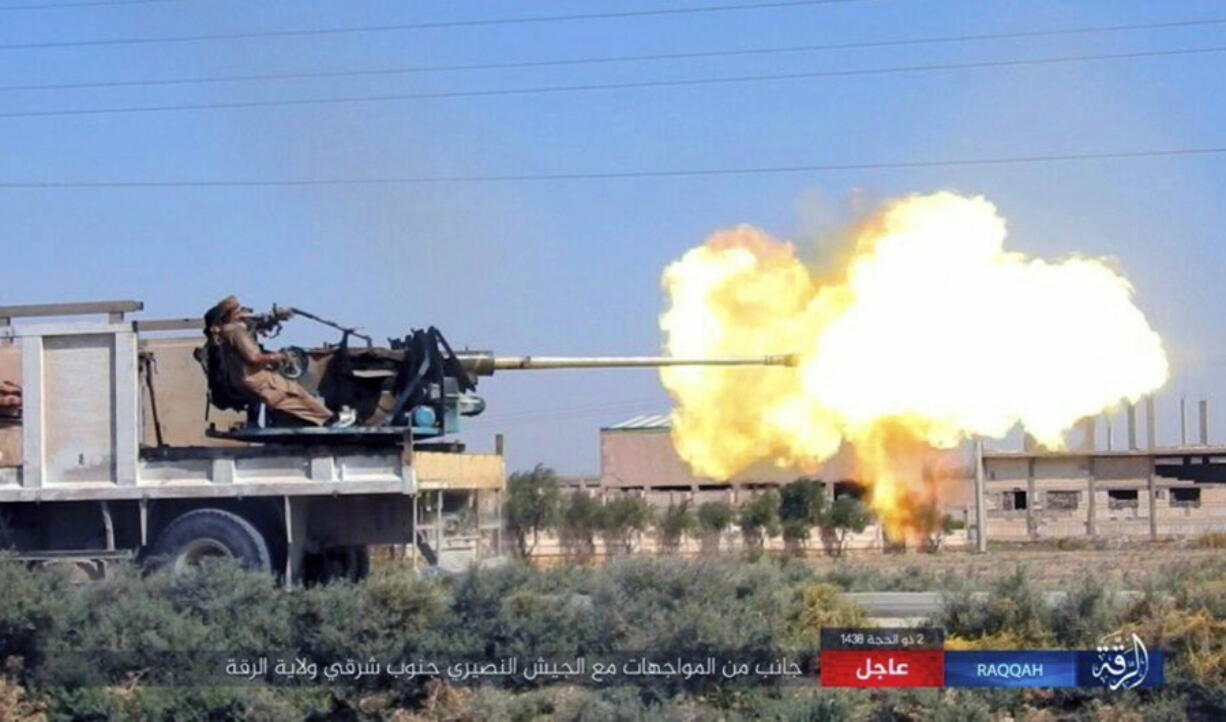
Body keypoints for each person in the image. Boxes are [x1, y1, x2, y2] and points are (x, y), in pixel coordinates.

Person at [205, 296, 355, 428]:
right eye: (239, 309)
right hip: (256, 378)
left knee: (295, 392)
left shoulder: (229, 331)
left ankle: (328, 418)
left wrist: (275, 318)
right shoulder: (236, 331)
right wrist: (278, 357)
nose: (244, 311)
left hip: (248, 377)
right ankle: (330, 420)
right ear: (232, 314)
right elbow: (254, 358)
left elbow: (257, 325)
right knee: (292, 396)